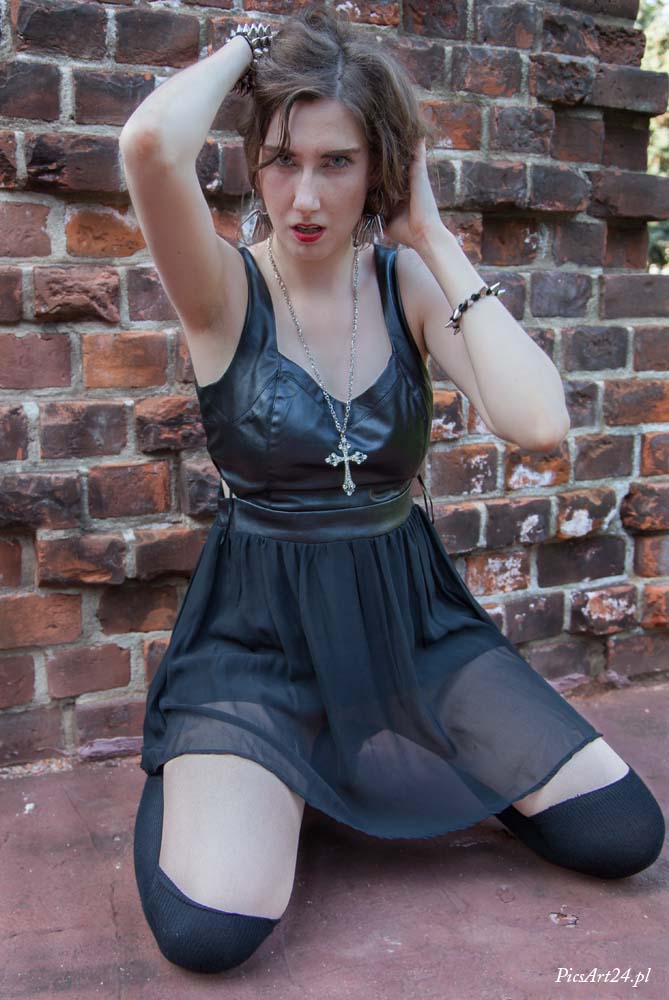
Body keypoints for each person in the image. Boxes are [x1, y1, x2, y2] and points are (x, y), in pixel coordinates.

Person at [120, 3, 665, 976]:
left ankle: (343, 754)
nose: (304, 196)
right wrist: (249, 48)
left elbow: (539, 423)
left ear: (380, 167)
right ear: (254, 163)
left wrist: (433, 237)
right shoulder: (222, 290)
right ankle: (211, 763)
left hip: (409, 628)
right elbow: (152, 145)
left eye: (337, 161)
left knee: (621, 832)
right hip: (257, 643)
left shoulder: (403, 281)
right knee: (213, 932)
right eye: (282, 159)